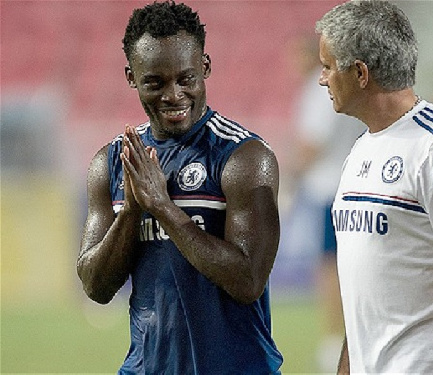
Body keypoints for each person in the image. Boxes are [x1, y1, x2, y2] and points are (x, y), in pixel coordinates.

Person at [76, 2, 283, 373]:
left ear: (205, 67)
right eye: (155, 82)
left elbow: (248, 280)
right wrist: (134, 211)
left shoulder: (245, 158)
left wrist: (163, 207)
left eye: (185, 79)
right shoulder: (111, 163)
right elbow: (95, 285)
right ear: (131, 77)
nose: (173, 95)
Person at [315, 1, 433, 374]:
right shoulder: (362, 148)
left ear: (361, 73)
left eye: (328, 67)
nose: (322, 79)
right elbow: (363, 293)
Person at [284, 35, 364, 372]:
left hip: (330, 190)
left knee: (332, 269)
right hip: (341, 186)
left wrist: (289, 177)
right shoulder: (329, 88)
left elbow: (312, 143)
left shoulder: (319, 92)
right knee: (341, 268)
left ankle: (337, 343)